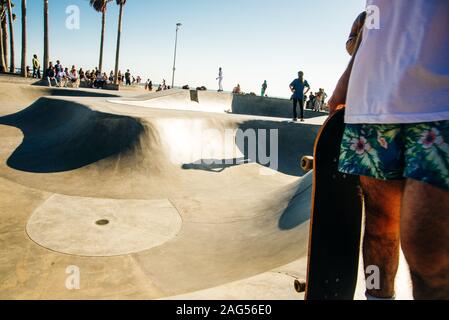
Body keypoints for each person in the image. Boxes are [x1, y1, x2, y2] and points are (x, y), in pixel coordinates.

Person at [328, 2, 449, 300]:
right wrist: (347, 78)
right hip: (371, 103)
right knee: (379, 227)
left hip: (438, 104)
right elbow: (376, 21)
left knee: (430, 250)